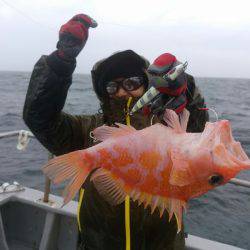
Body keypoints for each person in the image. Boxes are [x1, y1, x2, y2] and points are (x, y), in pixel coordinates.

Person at [23, 14, 208, 250]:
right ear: (104, 93)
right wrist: (58, 64)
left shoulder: (169, 128)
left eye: (131, 82)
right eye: (112, 86)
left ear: (147, 84)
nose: (121, 92)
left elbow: (201, 134)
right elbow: (39, 118)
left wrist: (187, 90)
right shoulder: (90, 132)